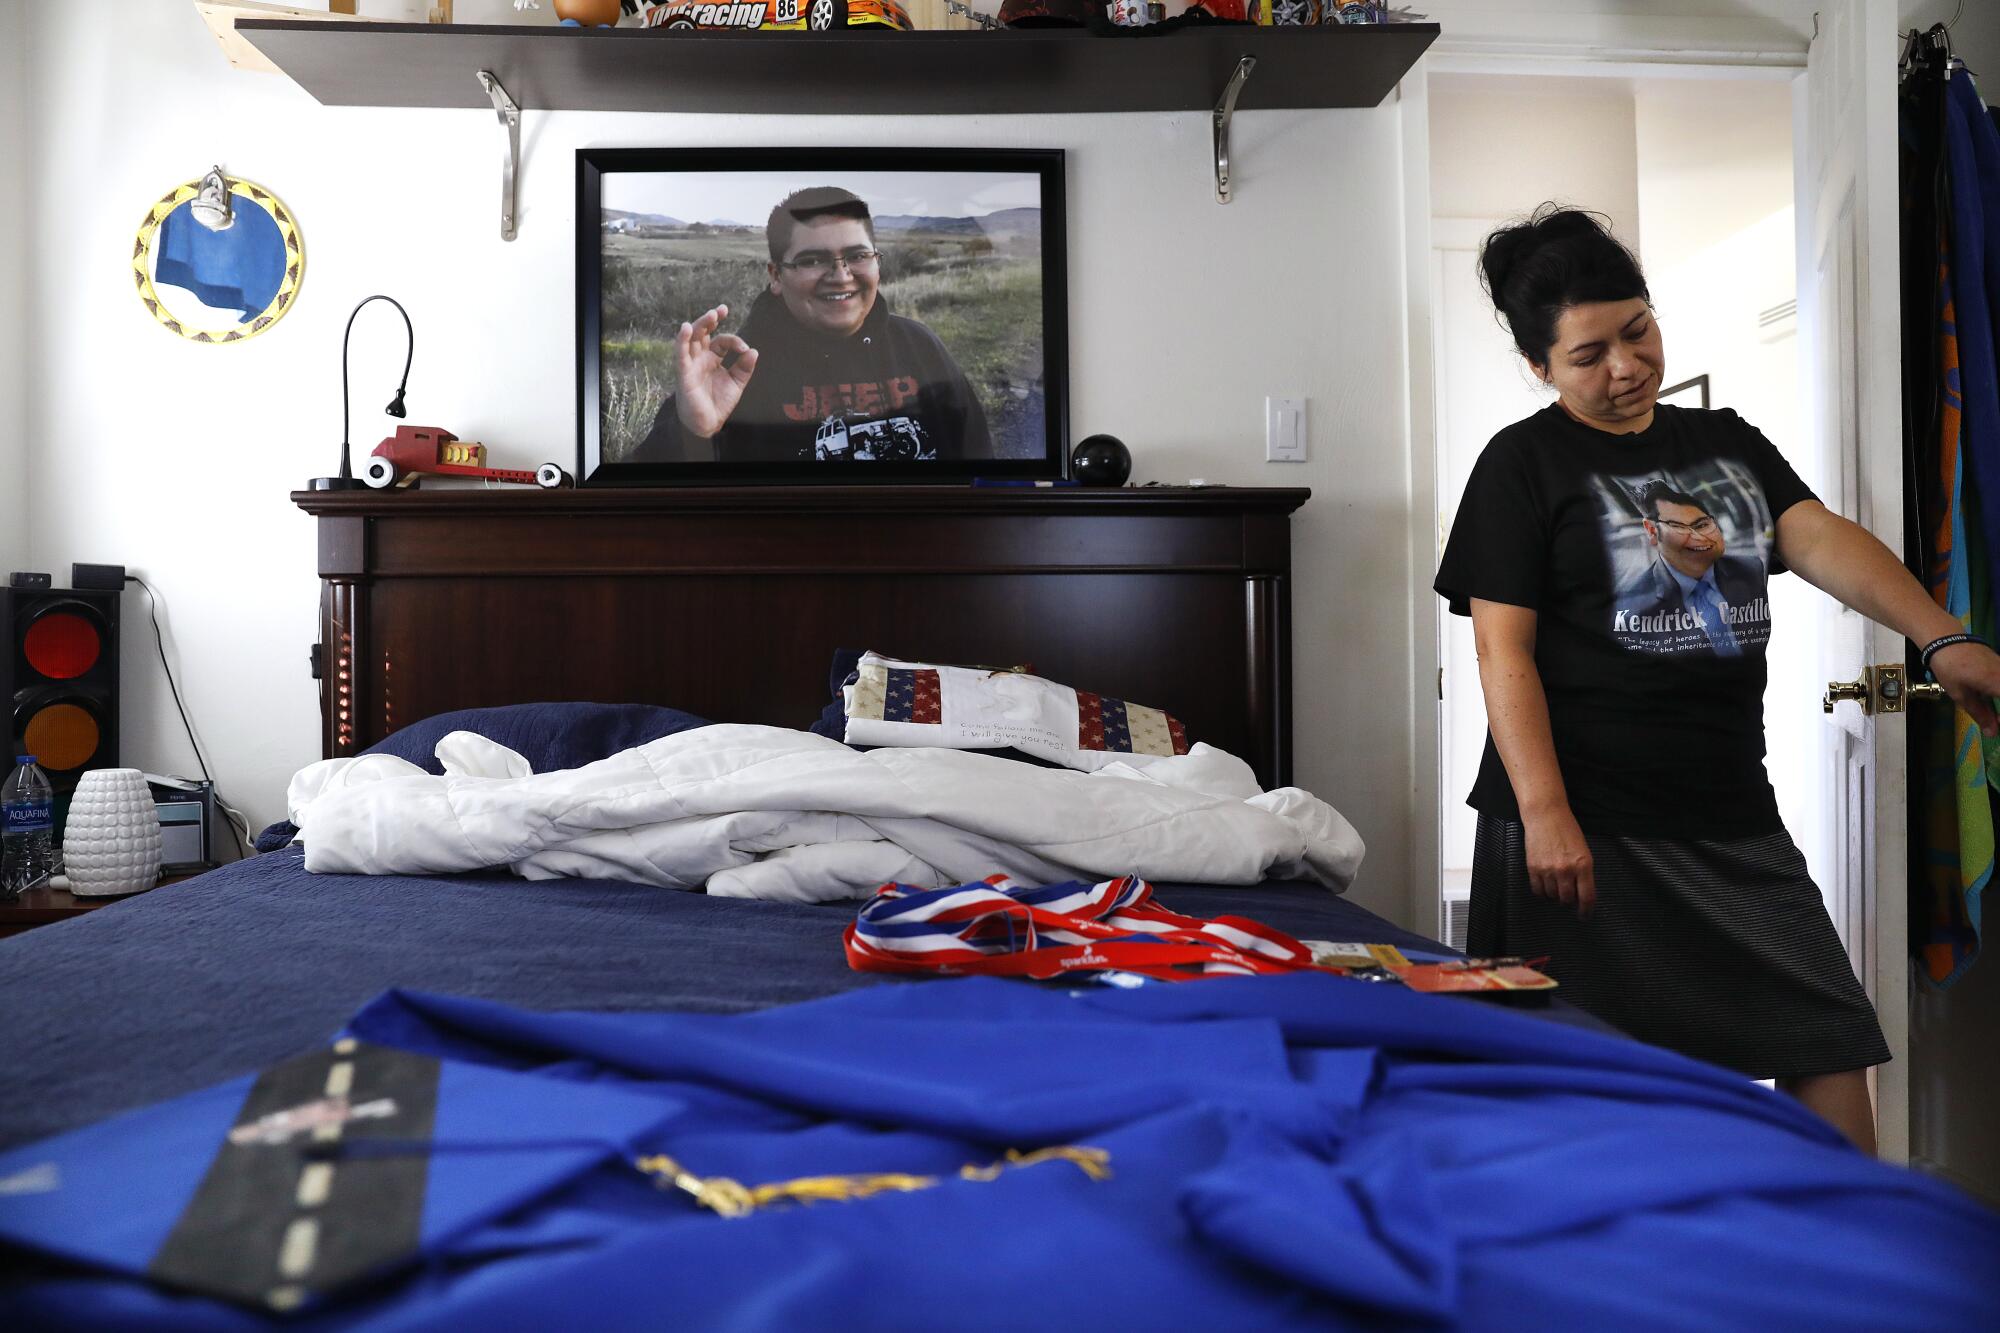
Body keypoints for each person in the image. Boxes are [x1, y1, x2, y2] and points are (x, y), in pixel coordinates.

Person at [1433, 204, 2000, 1154]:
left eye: (1637, 330)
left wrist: (1943, 640)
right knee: (1571, 1073)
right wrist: (1545, 813)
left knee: (1828, 1031)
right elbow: (1505, 653)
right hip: (1582, 819)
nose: (1625, 366)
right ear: (1540, 367)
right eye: (1588, 355)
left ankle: (1857, 1275)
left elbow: (1814, 536)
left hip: (1729, 808)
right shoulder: (1520, 465)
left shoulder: (1726, 440)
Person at [629, 186, 992, 464]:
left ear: (877, 262)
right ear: (775, 276)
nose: (841, 275)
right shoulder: (731, 373)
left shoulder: (920, 347)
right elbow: (647, 514)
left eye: (857, 255)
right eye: (813, 259)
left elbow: (980, 472)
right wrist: (694, 433)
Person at [1611, 480, 1768, 657]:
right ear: (1652, 531)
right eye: (1678, 527)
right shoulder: (1632, 606)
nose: (1698, 538)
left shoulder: (1750, 569)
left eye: (1702, 525)